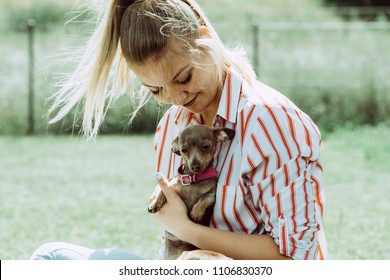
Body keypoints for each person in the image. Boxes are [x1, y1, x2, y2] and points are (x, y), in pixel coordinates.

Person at [31, 0, 328, 260]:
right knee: (51, 256)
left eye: (184, 78)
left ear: (205, 37)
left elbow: (295, 258)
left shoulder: (271, 121)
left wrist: (186, 229)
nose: (176, 99)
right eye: (156, 90)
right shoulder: (173, 126)